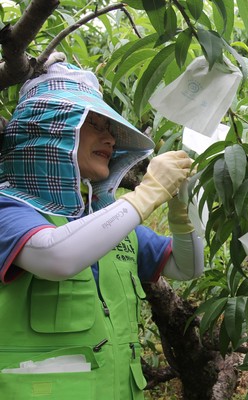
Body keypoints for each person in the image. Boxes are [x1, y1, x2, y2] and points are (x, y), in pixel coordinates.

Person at [0, 62, 203, 399]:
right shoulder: (9, 207)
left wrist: (184, 209)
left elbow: (187, 266)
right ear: (52, 127)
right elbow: (56, 255)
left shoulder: (105, 219)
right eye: (93, 123)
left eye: (110, 128)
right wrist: (147, 194)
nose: (110, 139)